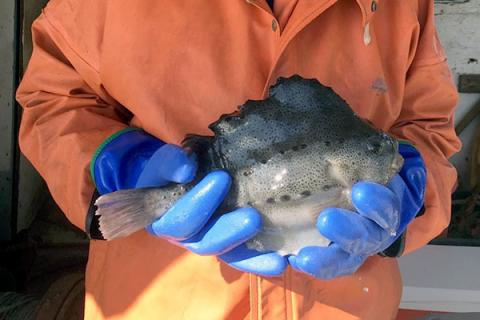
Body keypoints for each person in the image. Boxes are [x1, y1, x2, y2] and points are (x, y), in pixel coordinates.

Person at [16, 0, 461, 319]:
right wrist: (115, 162)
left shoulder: (404, 6)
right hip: (164, 306)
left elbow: (429, 128)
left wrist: (412, 199)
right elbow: (54, 99)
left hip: (350, 306)